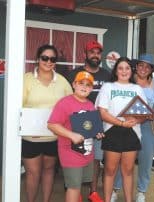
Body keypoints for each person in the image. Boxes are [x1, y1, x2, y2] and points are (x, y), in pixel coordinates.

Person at [22, 44, 73, 202]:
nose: (48, 61)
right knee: (32, 173)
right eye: (45, 58)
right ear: (38, 59)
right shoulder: (26, 79)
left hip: (54, 137)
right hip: (31, 137)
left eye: (52, 59)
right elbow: (18, 106)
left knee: (49, 171)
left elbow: (71, 105)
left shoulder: (62, 81)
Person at [95, 57, 147, 202]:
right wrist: (121, 123)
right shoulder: (108, 87)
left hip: (132, 132)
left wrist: (137, 119)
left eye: (127, 68)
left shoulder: (137, 89)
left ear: (132, 71)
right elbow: (103, 113)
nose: (124, 71)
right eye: (120, 68)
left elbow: (144, 114)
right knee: (110, 171)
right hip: (112, 131)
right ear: (116, 71)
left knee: (128, 171)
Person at [47, 71, 104, 202]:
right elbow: (52, 125)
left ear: (91, 88)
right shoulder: (64, 103)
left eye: (88, 85)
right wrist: (71, 135)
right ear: (74, 84)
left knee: (78, 186)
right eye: (81, 83)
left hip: (86, 153)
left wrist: (97, 133)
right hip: (70, 152)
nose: (84, 87)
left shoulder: (90, 105)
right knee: (73, 187)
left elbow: (90, 128)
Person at [110, 54, 154, 202]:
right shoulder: (128, 82)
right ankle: (115, 189)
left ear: (151, 69)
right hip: (128, 126)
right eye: (141, 65)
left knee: (145, 160)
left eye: (147, 66)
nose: (144, 68)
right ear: (136, 67)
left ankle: (142, 191)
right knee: (123, 160)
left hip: (147, 127)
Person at [66, 40, 110, 202]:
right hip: (77, 124)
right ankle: (75, 191)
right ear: (85, 54)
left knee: (96, 158)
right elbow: (67, 98)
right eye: (92, 52)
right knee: (76, 157)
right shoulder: (74, 74)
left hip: (98, 124)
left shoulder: (107, 75)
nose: (95, 55)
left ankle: (93, 192)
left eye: (98, 53)